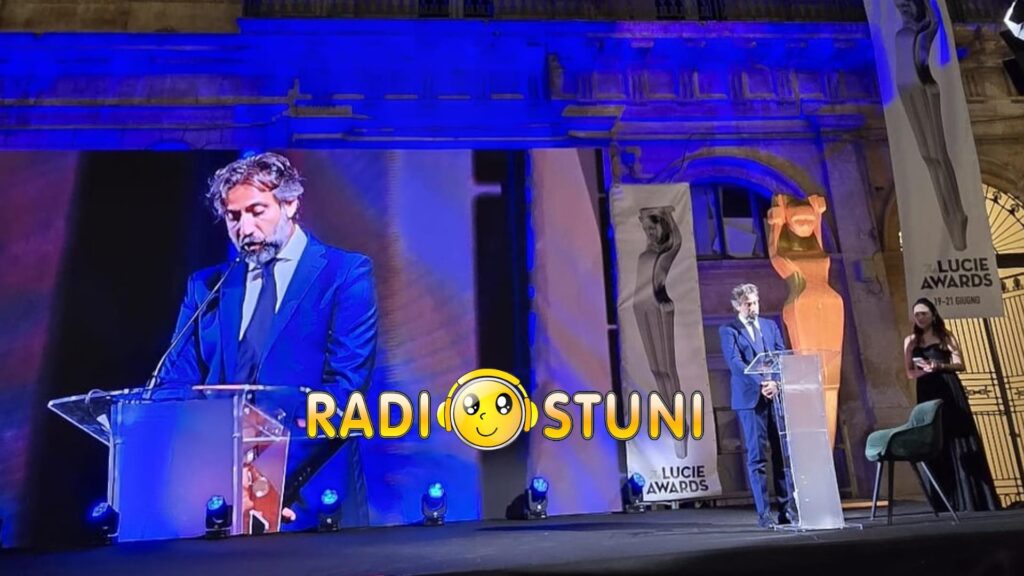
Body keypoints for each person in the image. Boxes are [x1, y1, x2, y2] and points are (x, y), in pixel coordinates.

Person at [158, 152, 379, 531]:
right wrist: (217, 476)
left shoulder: (344, 274)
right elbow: (174, 388)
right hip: (216, 497)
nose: (245, 227)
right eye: (233, 216)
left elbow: (343, 395)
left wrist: (263, 477)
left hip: (309, 498)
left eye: (256, 211)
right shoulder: (206, 287)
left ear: (290, 204)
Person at [904, 297, 999, 512]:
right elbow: (909, 372)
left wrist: (940, 366)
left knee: (958, 434)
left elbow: (960, 364)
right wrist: (924, 370)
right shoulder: (910, 341)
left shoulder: (945, 336)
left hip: (948, 386)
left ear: (933, 315)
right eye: (917, 314)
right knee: (935, 439)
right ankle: (944, 500)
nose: (920, 318)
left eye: (924, 313)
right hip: (926, 389)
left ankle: (972, 498)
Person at [766, 194, 844, 448]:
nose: (806, 225)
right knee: (811, 371)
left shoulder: (815, 246)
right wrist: (776, 225)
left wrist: (818, 215)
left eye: (809, 221)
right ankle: (816, 441)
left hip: (832, 303)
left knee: (831, 373)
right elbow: (774, 253)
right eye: (799, 220)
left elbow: (817, 237)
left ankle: (828, 441)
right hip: (802, 304)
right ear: (788, 221)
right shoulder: (783, 253)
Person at [893, 0, 969, 251]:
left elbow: (935, 22)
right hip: (906, 92)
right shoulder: (901, 32)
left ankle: (956, 217)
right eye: (899, 3)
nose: (902, 6)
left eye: (907, 2)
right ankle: (950, 216)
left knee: (938, 154)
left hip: (923, 89)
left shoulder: (923, 30)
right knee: (927, 156)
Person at [719, 283, 795, 528]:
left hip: (773, 396)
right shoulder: (729, 330)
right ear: (737, 306)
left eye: (755, 302)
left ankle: (787, 511)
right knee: (757, 457)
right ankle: (764, 514)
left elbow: (781, 356)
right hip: (750, 399)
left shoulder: (770, 326)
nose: (752, 307)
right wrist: (762, 382)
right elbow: (735, 362)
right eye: (747, 304)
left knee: (781, 455)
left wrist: (776, 383)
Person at [633, 206, 687, 459]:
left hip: (657, 306)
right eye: (646, 229)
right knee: (656, 370)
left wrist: (667, 214)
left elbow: (677, 241)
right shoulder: (645, 254)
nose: (649, 232)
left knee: (667, 369)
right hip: (640, 308)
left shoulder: (666, 251)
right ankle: (672, 422)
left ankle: (680, 426)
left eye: (652, 227)